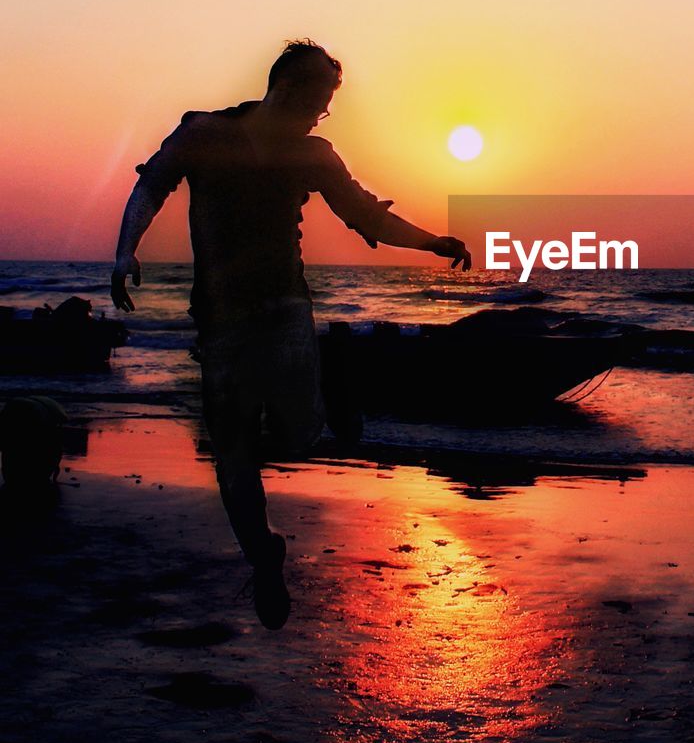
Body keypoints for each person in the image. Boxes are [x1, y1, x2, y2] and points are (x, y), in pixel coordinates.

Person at [110, 39, 470, 630]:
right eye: (319, 99)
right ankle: (264, 556)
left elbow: (366, 215)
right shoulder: (202, 133)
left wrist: (434, 241)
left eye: (328, 103)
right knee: (230, 460)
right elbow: (151, 186)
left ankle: (335, 384)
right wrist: (126, 250)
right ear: (287, 87)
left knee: (302, 436)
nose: (321, 113)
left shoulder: (314, 155)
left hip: (284, 309)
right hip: (220, 319)